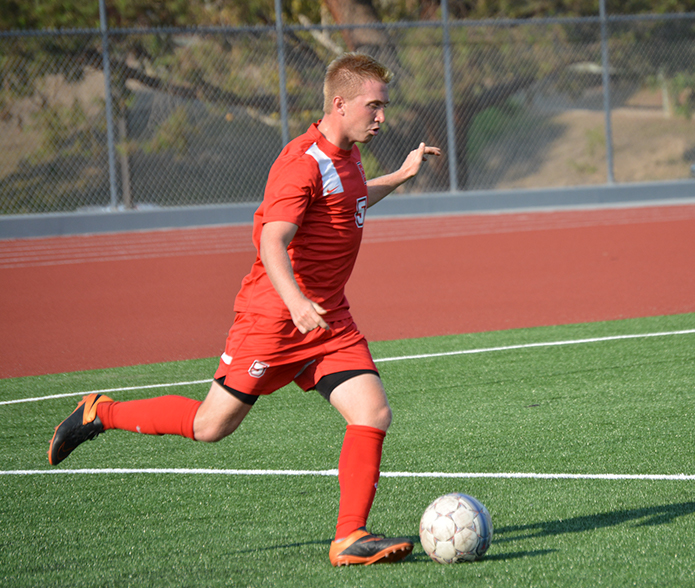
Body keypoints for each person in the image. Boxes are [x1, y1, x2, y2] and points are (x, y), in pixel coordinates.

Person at [48, 52, 441, 567]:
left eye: (384, 106)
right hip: (274, 319)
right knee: (213, 425)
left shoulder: (347, 155)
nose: (382, 117)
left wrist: (401, 174)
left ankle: (350, 538)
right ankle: (100, 413)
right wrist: (296, 303)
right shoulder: (301, 162)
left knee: (372, 411)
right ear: (340, 103)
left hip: (326, 320)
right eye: (375, 106)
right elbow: (272, 242)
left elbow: (350, 201)